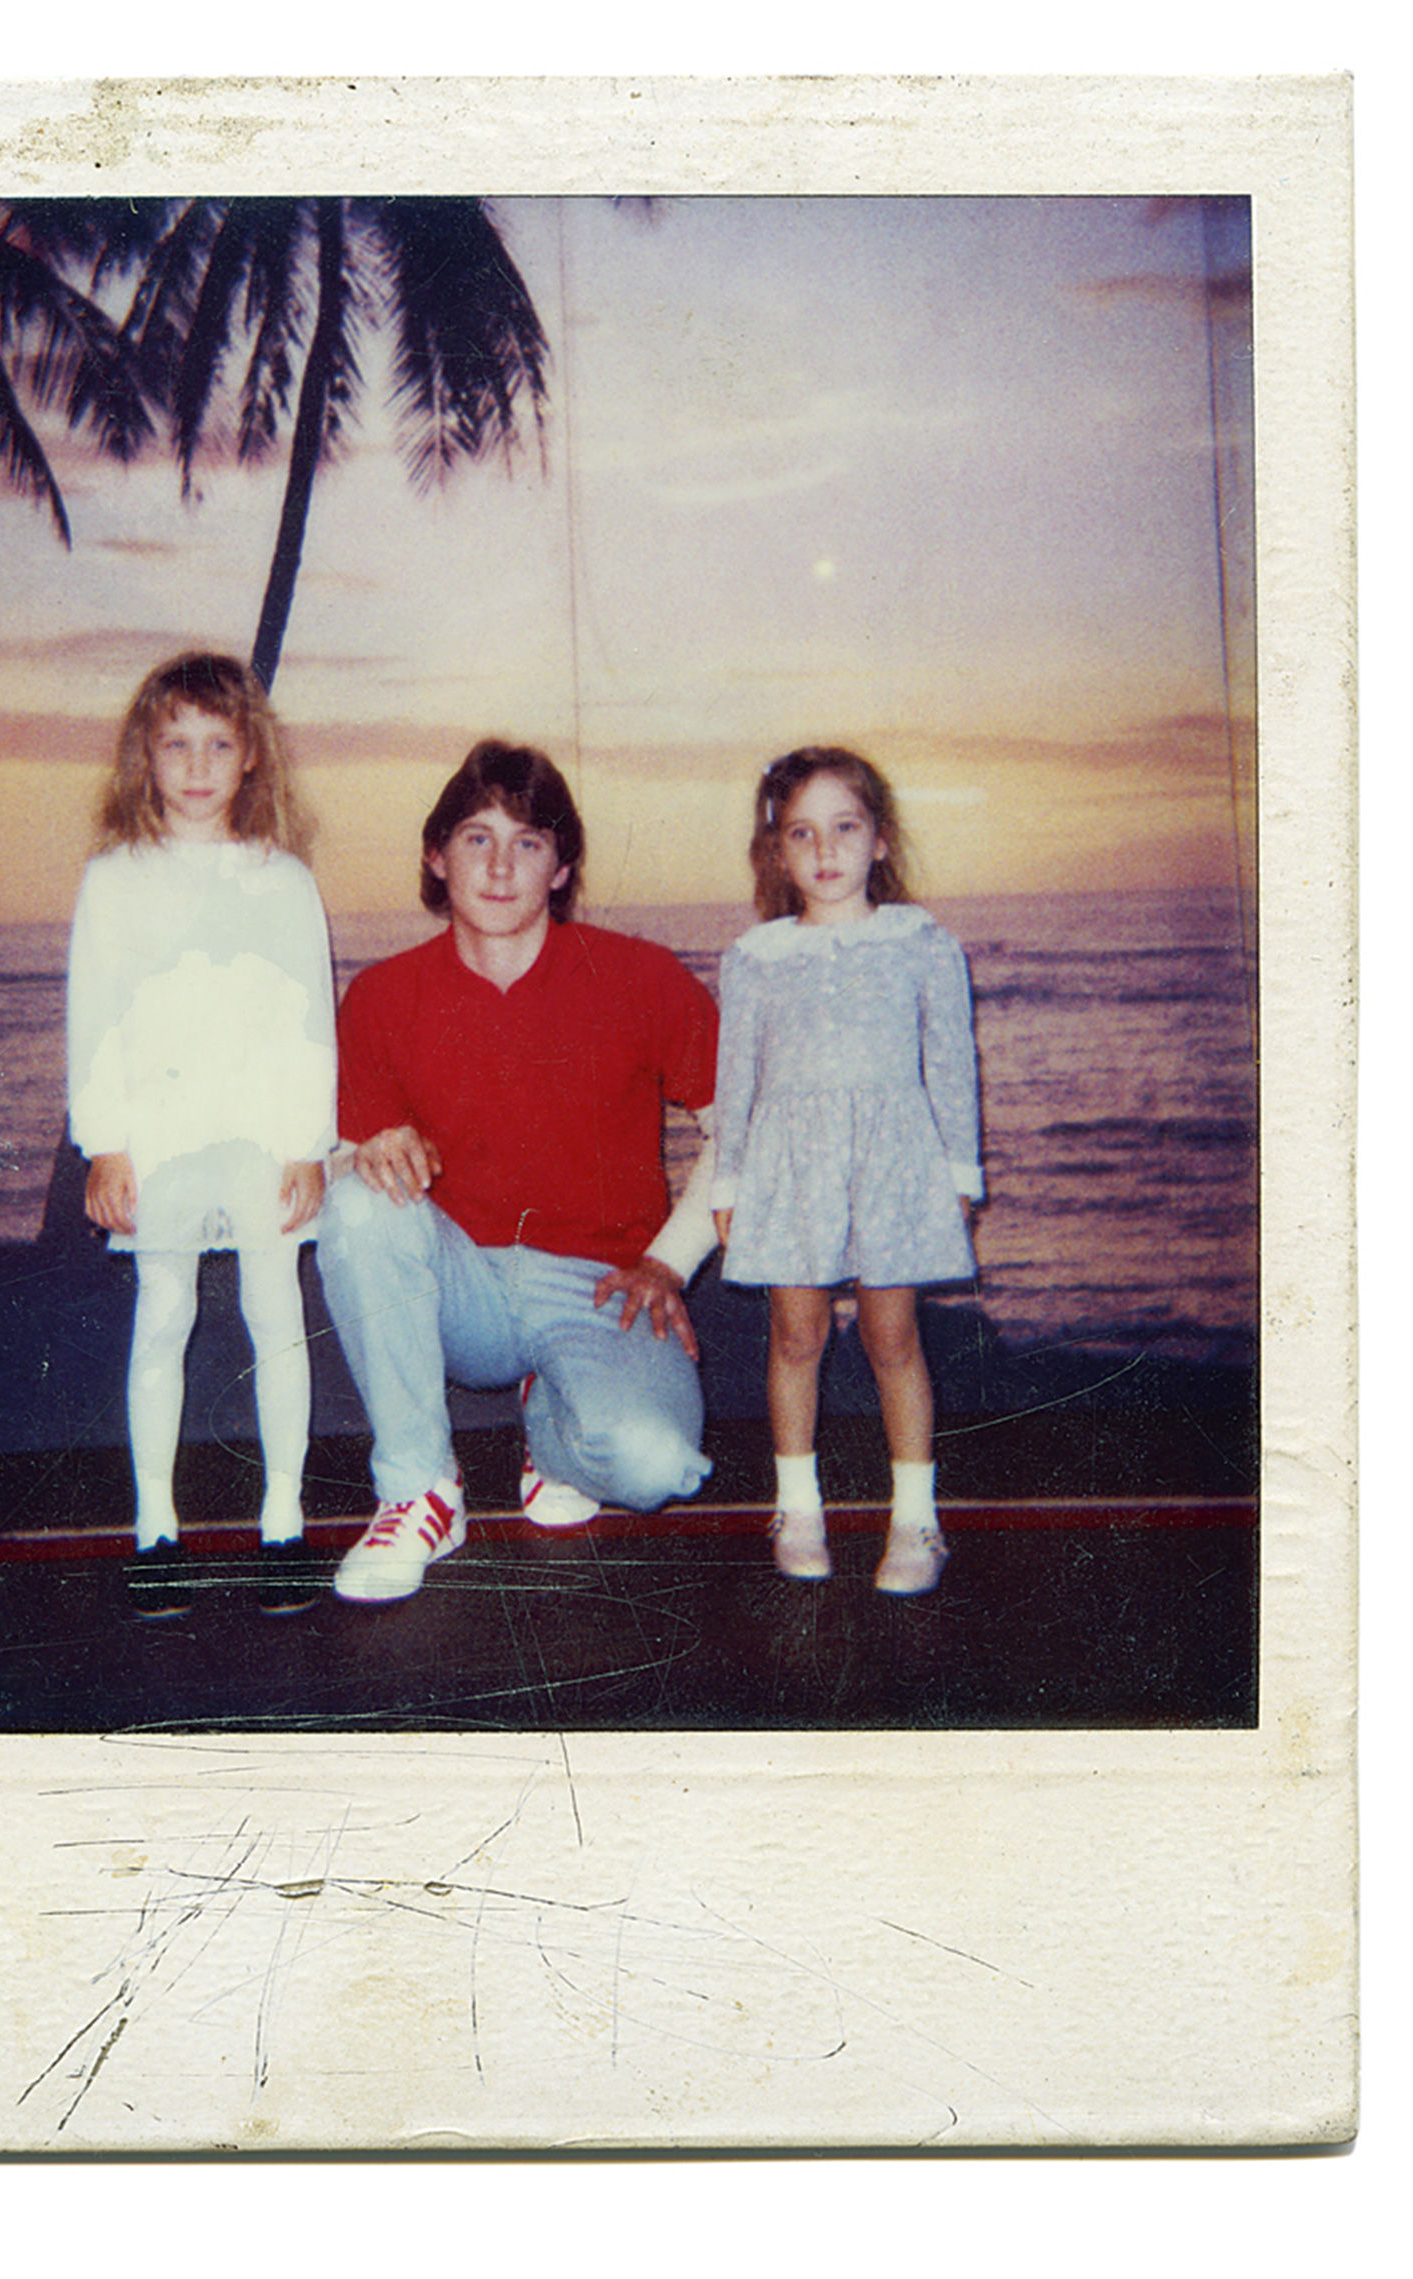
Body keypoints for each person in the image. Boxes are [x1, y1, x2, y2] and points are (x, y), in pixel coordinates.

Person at [317, 740, 720, 1604]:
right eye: (475, 838)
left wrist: (672, 1259)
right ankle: (421, 1490)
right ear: (436, 855)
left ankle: (556, 1415)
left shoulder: (640, 977)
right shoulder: (382, 997)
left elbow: (744, 1134)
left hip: (600, 1286)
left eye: (528, 842)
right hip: (462, 1280)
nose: (500, 867)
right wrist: (365, 1151)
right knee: (355, 1203)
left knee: (654, 1466)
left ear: (561, 864)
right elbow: (348, 1160)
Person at [66, 651, 334, 1619]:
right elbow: (95, 1016)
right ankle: (155, 1530)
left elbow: (311, 1021)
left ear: (251, 758)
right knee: (164, 1314)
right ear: (146, 754)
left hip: (262, 1132)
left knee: (275, 1316)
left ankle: (283, 1524)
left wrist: (307, 1142)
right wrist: (104, 1140)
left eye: (218, 744)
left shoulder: (282, 880)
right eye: (175, 743)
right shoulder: (115, 880)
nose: (195, 765)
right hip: (164, 1135)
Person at [712, 747, 983, 1595]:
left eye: (845, 827)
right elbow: (736, 1080)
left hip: (895, 1163)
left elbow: (950, 1064)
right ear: (777, 851)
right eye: (802, 832)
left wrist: (960, 1174)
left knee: (891, 1338)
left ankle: (916, 1520)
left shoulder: (923, 945)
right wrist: (727, 1181)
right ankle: (799, 1508)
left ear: (879, 840)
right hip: (791, 1167)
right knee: (797, 1336)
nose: (825, 850)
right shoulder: (756, 958)